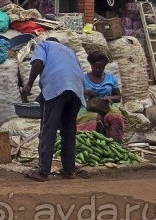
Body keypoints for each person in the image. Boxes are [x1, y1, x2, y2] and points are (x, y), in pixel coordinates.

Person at [20, 38, 86, 182]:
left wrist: (29, 84)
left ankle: (43, 171)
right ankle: (69, 171)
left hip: (58, 85)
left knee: (48, 130)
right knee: (69, 131)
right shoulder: (69, 50)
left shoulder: (43, 44)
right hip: (76, 88)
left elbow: (38, 63)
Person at [76, 51, 125, 142]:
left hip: (106, 105)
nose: (98, 69)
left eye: (101, 67)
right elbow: (74, 93)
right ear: (91, 65)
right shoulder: (82, 78)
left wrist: (109, 98)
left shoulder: (111, 78)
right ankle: (89, 143)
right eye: (95, 67)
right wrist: (85, 91)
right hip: (87, 105)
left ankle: (115, 143)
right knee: (92, 118)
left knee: (115, 117)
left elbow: (118, 97)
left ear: (104, 67)